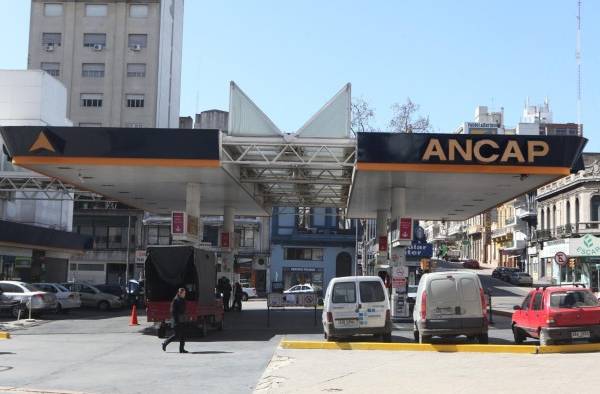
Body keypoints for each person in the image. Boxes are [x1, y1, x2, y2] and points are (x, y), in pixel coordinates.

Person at [162, 288, 188, 354]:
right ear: (180, 293)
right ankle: (165, 343)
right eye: (183, 293)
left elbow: (183, 310)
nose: (185, 294)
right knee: (176, 335)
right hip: (176, 320)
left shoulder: (182, 299)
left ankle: (181, 349)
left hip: (182, 320)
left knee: (183, 335)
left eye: (185, 293)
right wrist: (177, 320)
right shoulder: (176, 300)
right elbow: (173, 311)